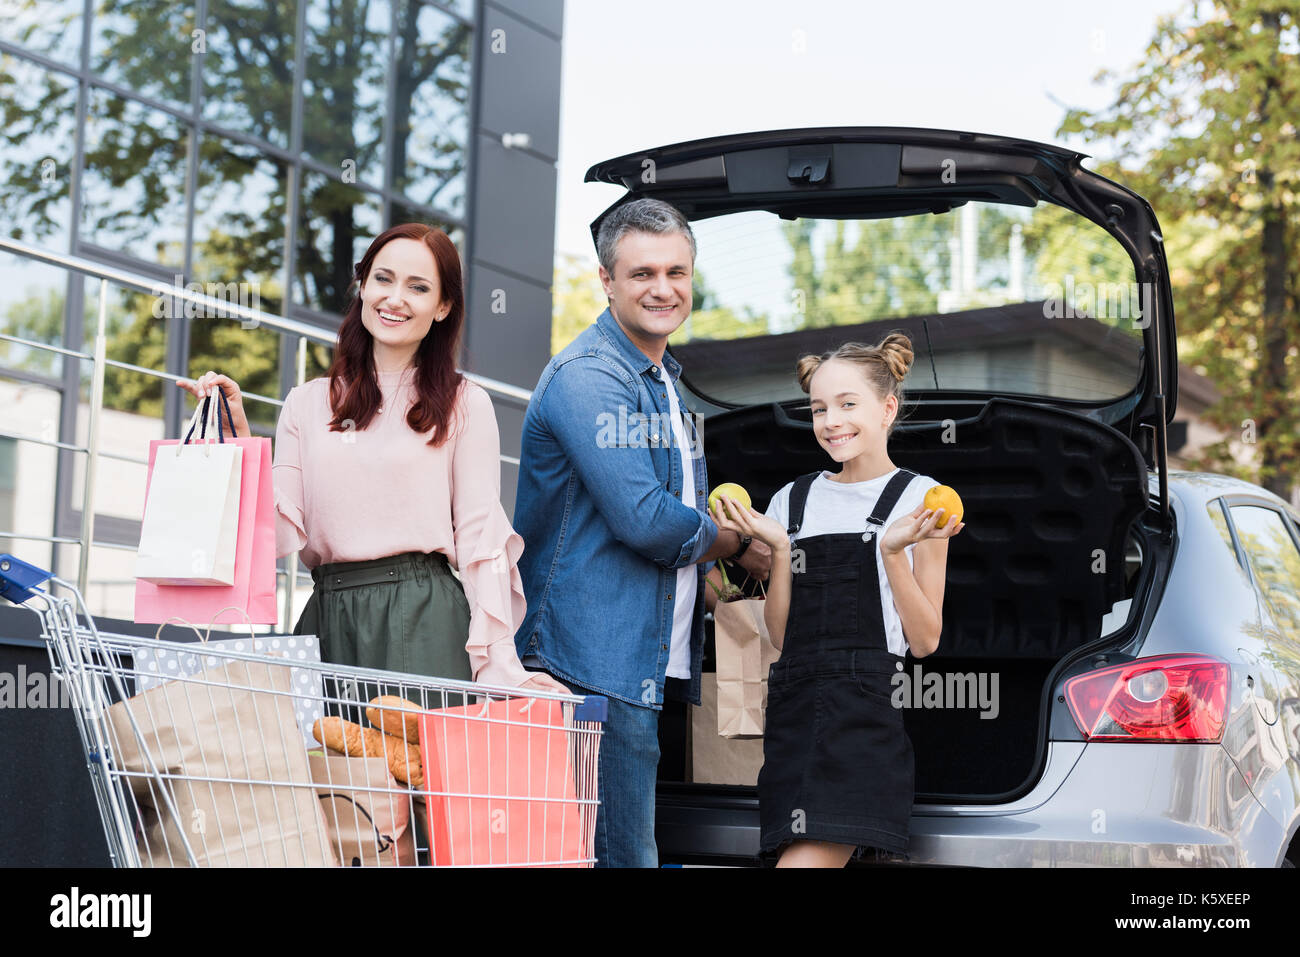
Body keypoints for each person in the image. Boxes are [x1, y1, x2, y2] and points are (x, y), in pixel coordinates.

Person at [177, 223, 567, 698]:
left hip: (424, 619)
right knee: (319, 769)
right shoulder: (307, 403)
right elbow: (276, 533)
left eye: (418, 287)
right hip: (327, 613)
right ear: (363, 286)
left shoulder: (466, 404)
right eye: (383, 279)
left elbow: (480, 537)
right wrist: (236, 439)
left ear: (443, 307)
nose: (395, 298)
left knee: (415, 771)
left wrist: (499, 660)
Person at [512, 198, 772, 867]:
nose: (663, 288)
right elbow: (648, 520)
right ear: (606, 280)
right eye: (641, 273)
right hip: (592, 657)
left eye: (677, 271)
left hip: (642, 661)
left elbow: (673, 519)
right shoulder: (591, 378)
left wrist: (721, 577)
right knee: (624, 858)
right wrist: (743, 544)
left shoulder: (661, 380)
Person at [710, 333, 966, 868]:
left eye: (848, 404)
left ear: (887, 408)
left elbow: (924, 641)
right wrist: (779, 547)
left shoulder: (924, 501)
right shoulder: (792, 500)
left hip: (864, 716)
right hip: (793, 717)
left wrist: (893, 553)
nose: (831, 421)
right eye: (819, 408)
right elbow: (780, 635)